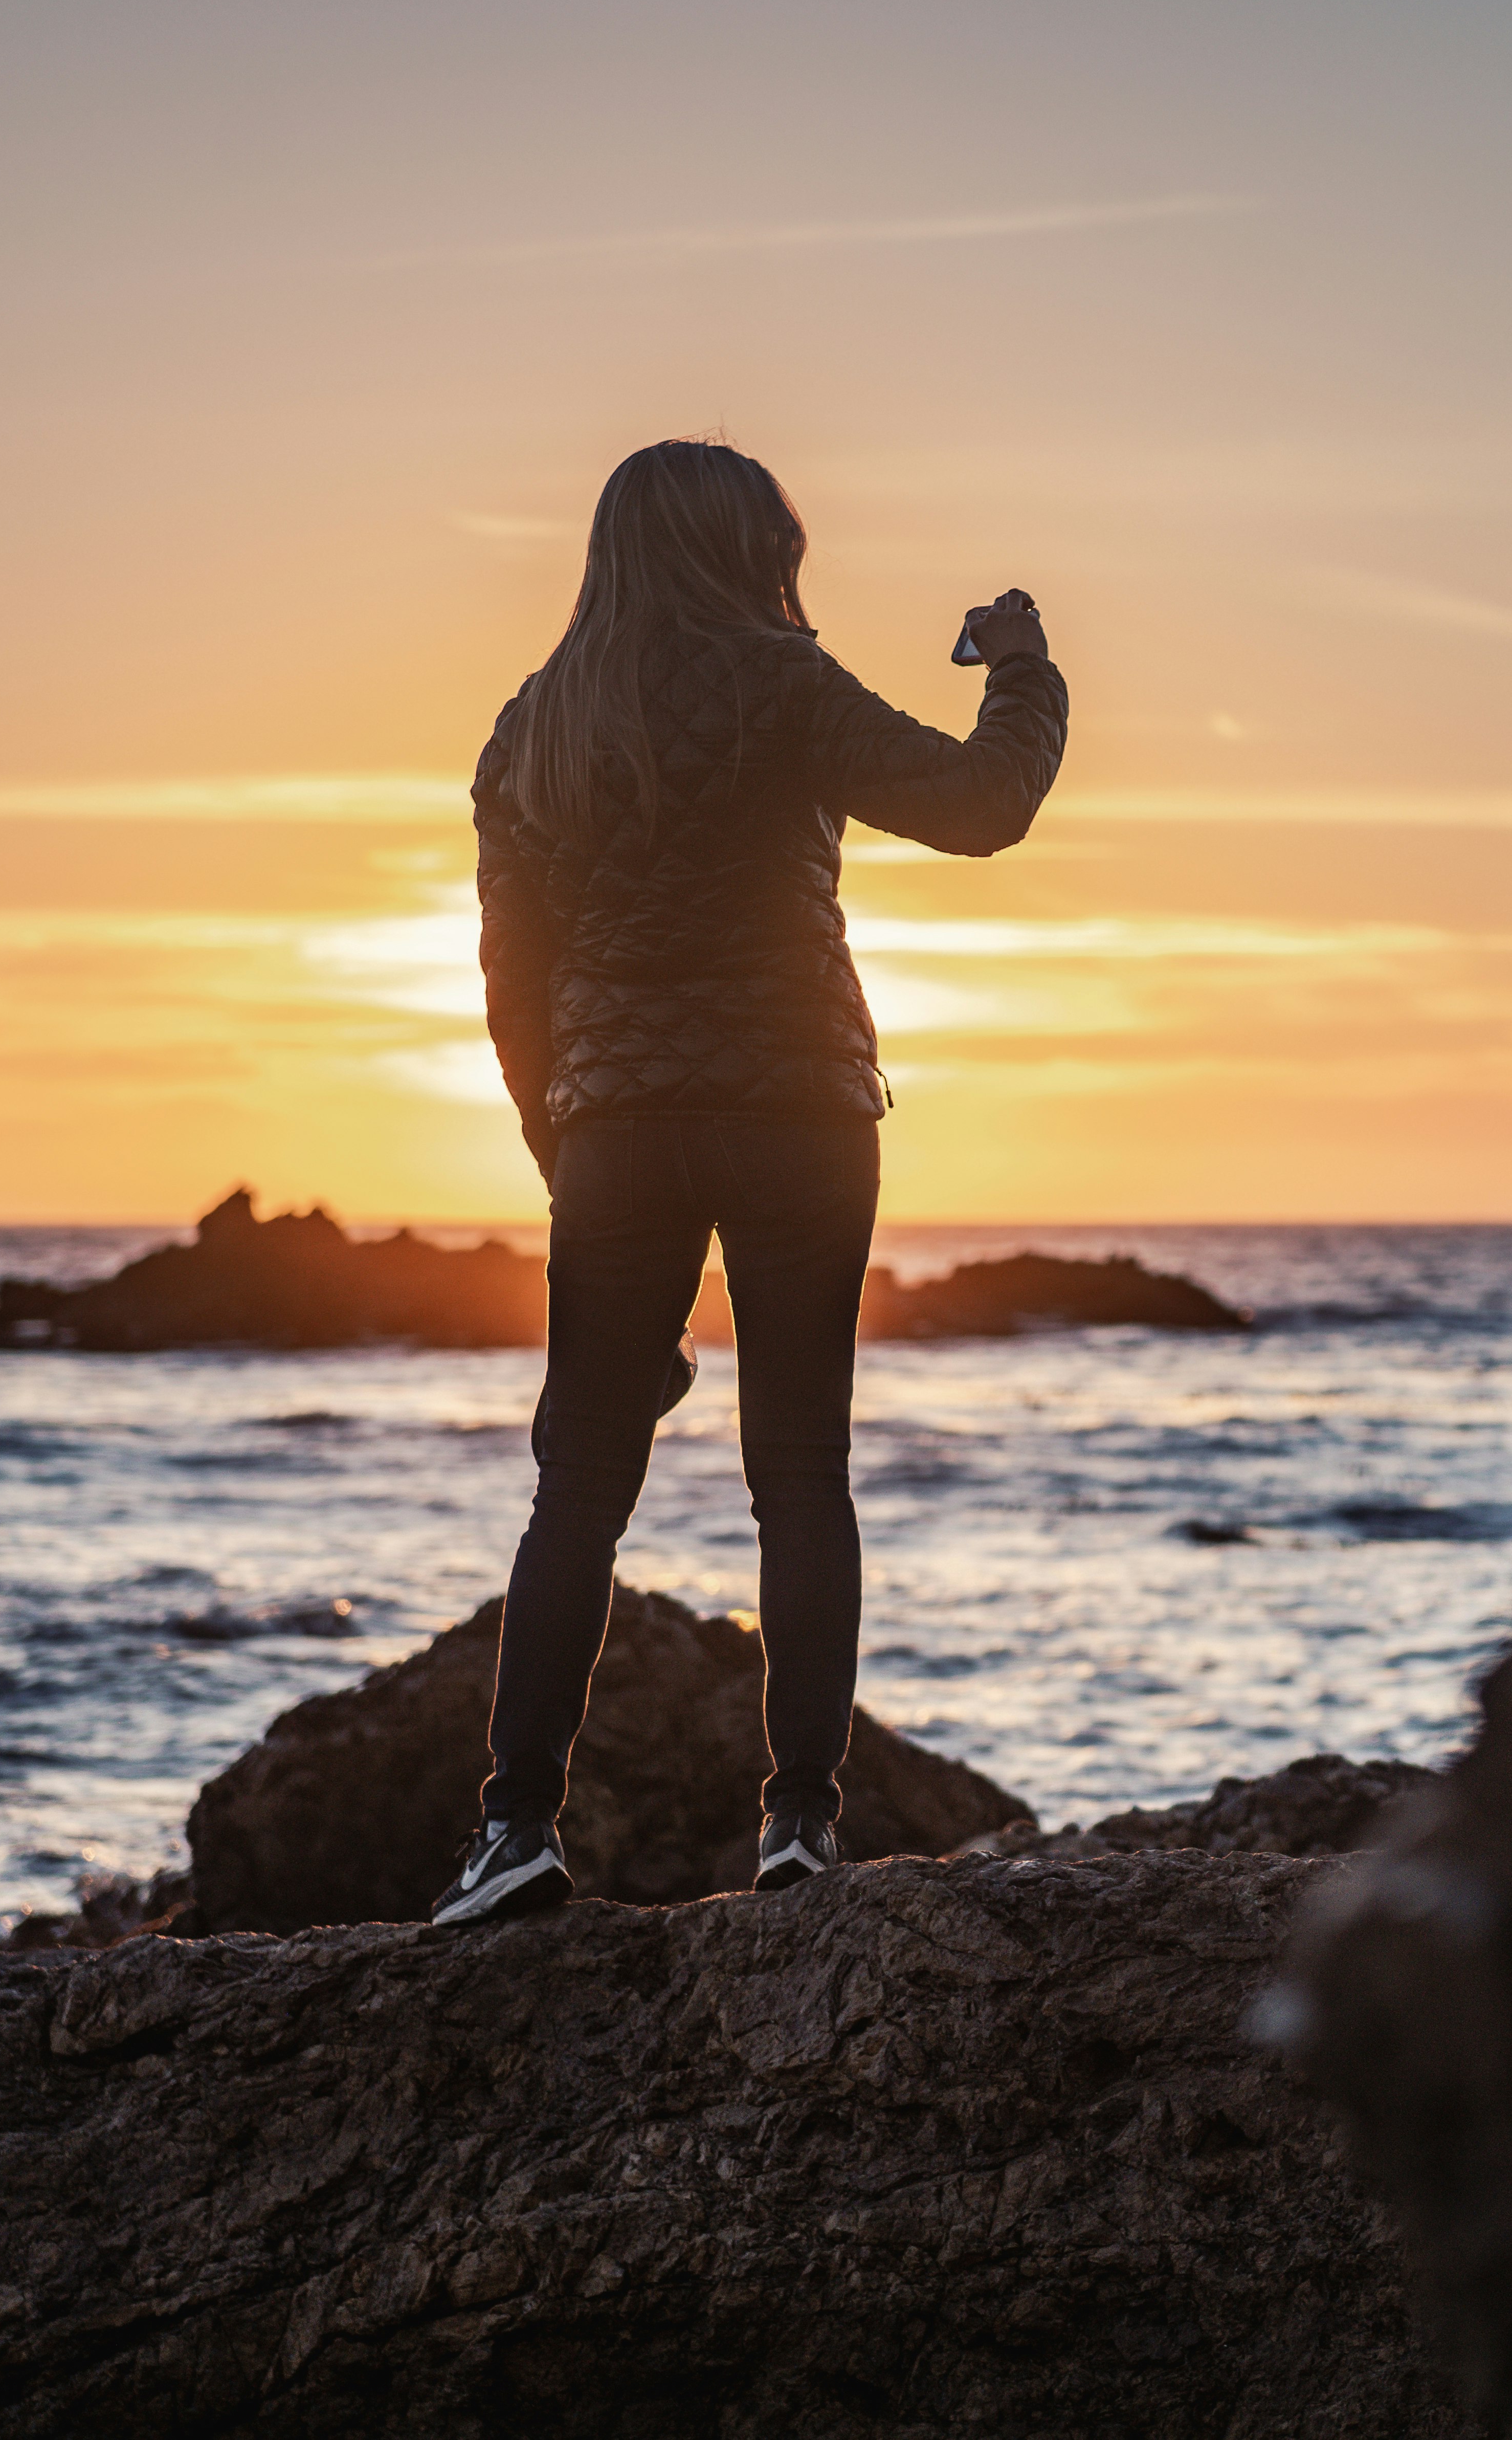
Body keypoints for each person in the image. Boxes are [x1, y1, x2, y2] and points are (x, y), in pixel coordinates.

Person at [432, 437, 1066, 1925]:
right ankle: (798, 1829)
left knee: (576, 1486)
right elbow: (984, 806)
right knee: (800, 1475)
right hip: (799, 1110)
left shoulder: (534, 727)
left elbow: (510, 982)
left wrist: (564, 1151)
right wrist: (1024, 664)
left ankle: (512, 1835)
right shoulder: (784, 684)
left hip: (615, 1129)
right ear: (747, 550)